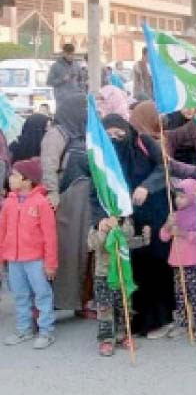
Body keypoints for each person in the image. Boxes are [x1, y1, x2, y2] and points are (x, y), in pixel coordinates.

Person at [101, 113, 172, 337]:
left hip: (153, 212)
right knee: (133, 267)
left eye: (119, 133)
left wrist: (146, 187)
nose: (115, 138)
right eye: (109, 135)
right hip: (125, 217)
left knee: (155, 266)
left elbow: (164, 167)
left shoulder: (144, 142)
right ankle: (133, 321)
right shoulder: (103, 154)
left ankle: (159, 320)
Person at [40, 93, 93, 315]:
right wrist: (52, 193)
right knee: (66, 252)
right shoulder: (57, 134)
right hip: (66, 200)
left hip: (87, 200)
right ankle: (59, 301)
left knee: (86, 252)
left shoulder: (85, 132)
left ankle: (81, 302)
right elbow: (49, 167)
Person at [0, 159, 57, 349]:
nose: (10, 178)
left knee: (42, 294)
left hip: (35, 260)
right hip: (14, 260)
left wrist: (50, 263)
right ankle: (24, 329)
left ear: (27, 180)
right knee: (20, 295)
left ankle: (46, 331)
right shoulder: (9, 202)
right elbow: (2, 231)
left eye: (15, 175)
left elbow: (50, 236)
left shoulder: (41, 203)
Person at [88, 215, 151, 356]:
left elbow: (127, 241)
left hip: (122, 272)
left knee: (124, 306)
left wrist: (144, 239)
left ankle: (123, 335)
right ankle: (106, 339)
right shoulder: (97, 223)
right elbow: (93, 245)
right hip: (104, 274)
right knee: (105, 308)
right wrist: (103, 230)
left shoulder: (126, 220)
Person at [159, 178, 196, 341]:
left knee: (195, 294)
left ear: (192, 196)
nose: (178, 200)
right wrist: (167, 225)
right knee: (180, 293)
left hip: (193, 261)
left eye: (182, 196)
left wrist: (184, 233)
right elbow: (163, 237)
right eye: (176, 196)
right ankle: (183, 323)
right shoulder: (174, 215)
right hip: (177, 262)